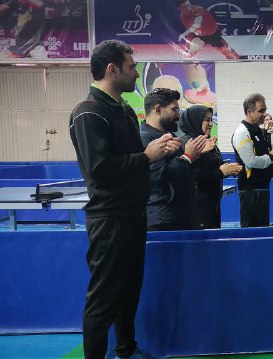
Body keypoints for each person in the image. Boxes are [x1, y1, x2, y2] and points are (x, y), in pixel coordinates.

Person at [70, 39, 176, 359]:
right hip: (110, 218)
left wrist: (158, 155)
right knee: (103, 301)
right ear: (112, 69)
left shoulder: (126, 111)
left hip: (132, 214)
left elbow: (133, 160)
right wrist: (146, 156)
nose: (135, 73)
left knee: (129, 292)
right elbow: (100, 169)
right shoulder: (89, 113)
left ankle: (126, 349)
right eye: (131, 67)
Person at [140, 88, 209, 231]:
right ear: (158, 109)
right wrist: (187, 157)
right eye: (174, 110)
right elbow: (157, 176)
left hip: (182, 214)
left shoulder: (169, 136)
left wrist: (195, 156)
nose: (178, 116)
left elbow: (184, 172)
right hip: (163, 219)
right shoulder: (145, 139)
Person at [179, 105, 241, 229]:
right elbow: (193, 174)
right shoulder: (189, 143)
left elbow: (215, 164)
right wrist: (220, 172)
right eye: (207, 120)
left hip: (212, 204)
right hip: (198, 207)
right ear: (195, 120)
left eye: (212, 120)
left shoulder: (206, 141)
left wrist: (229, 168)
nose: (211, 124)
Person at [231, 93, 273, 228]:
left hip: (262, 187)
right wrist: (272, 156)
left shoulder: (259, 130)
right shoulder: (242, 132)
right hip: (250, 191)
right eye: (261, 111)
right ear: (249, 112)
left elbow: (268, 154)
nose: (264, 114)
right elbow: (251, 161)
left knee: (263, 232)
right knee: (250, 234)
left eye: (265, 110)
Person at [174, 0, 240, 59]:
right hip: (201, 36)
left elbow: (197, 25)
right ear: (180, 8)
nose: (188, 7)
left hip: (213, 34)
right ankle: (191, 63)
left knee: (229, 55)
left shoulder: (198, 10)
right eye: (185, 7)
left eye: (188, 5)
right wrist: (188, 47)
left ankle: (238, 63)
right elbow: (191, 31)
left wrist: (183, 34)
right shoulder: (182, 17)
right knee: (191, 52)